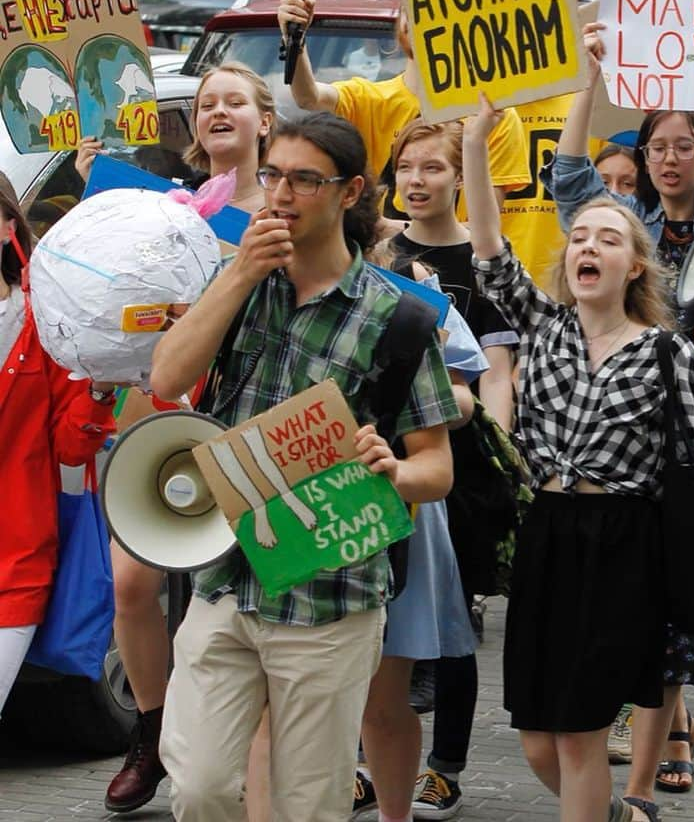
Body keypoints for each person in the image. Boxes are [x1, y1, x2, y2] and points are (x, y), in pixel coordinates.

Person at [150, 112, 459, 821]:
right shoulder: (241, 281)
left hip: (331, 596)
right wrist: (237, 274)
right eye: (272, 176)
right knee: (198, 785)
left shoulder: (399, 317)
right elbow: (167, 378)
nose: (281, 194)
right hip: (226, 574)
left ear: (349, 193)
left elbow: (435, 468)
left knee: (305, 805)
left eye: (304, 180)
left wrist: (393, 472)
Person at [463, 81, 694, 822]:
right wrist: (474, 146)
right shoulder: (545, 325)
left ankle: (610, 808)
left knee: (581, 736)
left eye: (610, 238)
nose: (589, 245)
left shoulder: (667, 353)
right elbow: (489, 250)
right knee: (537, 736)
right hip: (545, 533)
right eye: (581, 237)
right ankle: (621, 816)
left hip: (622, 543)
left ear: (635, 266)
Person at [95, 62, 276, 815]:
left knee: (253, 589)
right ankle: (154, 728)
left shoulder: (288, 205)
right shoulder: (162, 204)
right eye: (207, 104)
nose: (219, 111)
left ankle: (257, 757)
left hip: (247, 407)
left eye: (236, 100)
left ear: (265, 119)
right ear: (194, 126)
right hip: (161, 392)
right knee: (134, 583)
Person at [384, 118, 517, 820]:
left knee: (452, 621)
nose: (416, 180)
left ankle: (445, 765)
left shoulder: (481, 259)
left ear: (458, 179)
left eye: (433, 167)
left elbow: (495, 372)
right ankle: (369, 761)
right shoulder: (378, 251)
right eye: (406, 167)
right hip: (387, 457)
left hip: (458, 464)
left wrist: (495, 434)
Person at [0, 174, 118, 717]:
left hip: (14, 561)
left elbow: (72, 447)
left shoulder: (43, 322)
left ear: (7, 228)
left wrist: (98, 386)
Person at [276, 0, 530, 218]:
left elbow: (483, 227)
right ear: (403, 25)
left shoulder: (493, 116)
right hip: (381, 264)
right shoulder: (370, 98)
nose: (427, 25)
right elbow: (308, 97)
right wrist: (295, 38)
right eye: (418, 12)